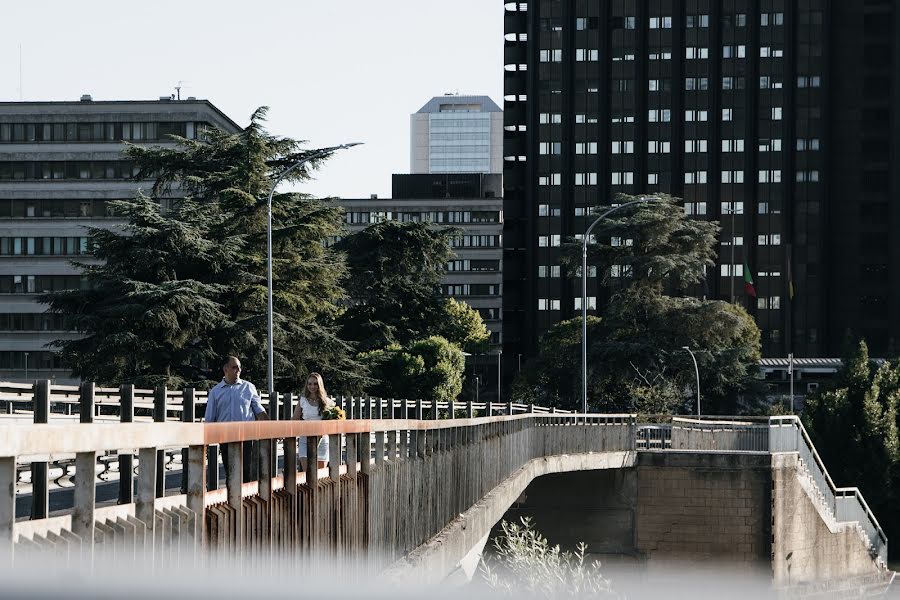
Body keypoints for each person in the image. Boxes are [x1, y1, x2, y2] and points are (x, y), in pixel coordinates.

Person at [204, 355, 269, 482]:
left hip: (246, 437)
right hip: (226, 437)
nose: (238, 370)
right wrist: (205, 442)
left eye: (239, 367)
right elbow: (210, 418)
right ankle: (232, 500)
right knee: (231, 473)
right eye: (234, 367)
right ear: (226, 369)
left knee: (246, 472)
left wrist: (271, 429)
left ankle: (246, 501)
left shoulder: (249, 387)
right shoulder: (215, 392)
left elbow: (259, 410)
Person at [292, 372, 333, 472]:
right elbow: (294, 420)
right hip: (305, 438)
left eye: (315, 384)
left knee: (320, 475)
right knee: (307, 473)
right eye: (310, 384)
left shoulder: (327, 402)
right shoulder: (302, 400)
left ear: (319, 385)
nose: (312, 386)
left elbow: (333, 421)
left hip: (322, 439)